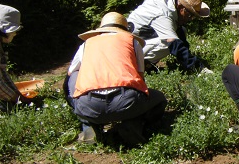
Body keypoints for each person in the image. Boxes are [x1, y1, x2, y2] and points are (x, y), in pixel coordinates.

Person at [65, 12, 167, 145]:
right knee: (159, 99)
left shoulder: (87, 44)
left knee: (74, 74)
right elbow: (140, 78)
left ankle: (89, 125)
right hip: (126, 102)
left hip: (89, 106)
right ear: (125, 29)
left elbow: (70, 73)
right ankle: (133, 124)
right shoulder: (132, 42)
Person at [127, 0, 210, 72]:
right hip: (130, 48)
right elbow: (173, 43)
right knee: (167, 44)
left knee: (181, 31)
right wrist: (199, 69)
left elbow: (178, 31)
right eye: (189, 15)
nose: (190, 19)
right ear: (182, 8)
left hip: (141, 37)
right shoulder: (163, 15)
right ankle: (142, 65)